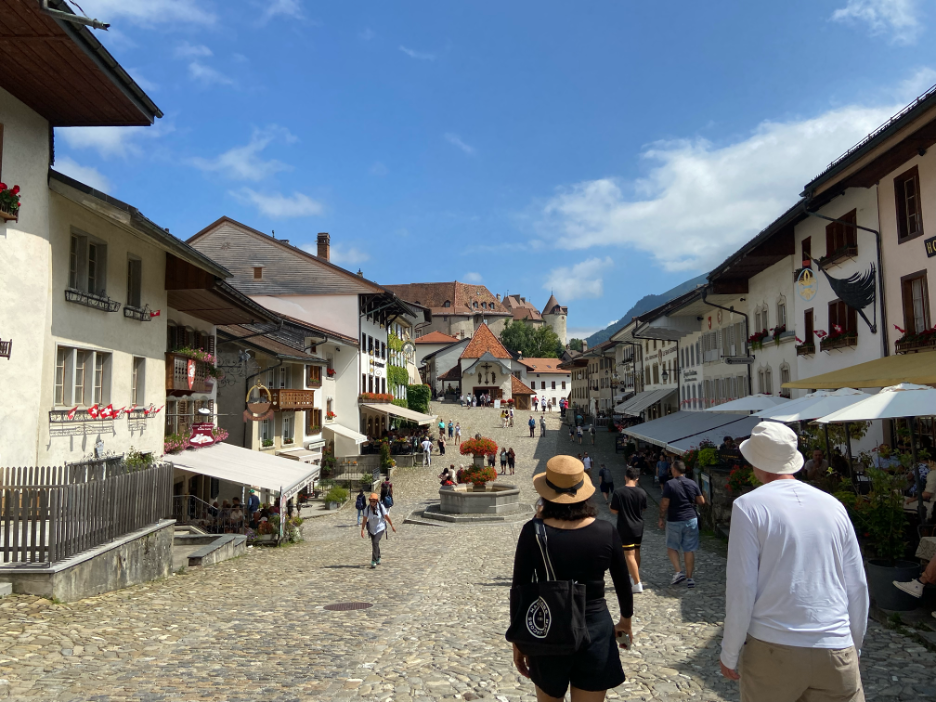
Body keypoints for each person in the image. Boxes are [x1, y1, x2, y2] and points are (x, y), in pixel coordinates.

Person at [719, 421, 868, 702]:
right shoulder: (833, 505)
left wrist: (730, 650)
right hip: (835, 644)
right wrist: (854, 645)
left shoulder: (749, 506)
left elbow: (742, 587)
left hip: (774, 646)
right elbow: (857, 584)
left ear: (756, 462)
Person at [511, 455, 633, 701]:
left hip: (548, 627)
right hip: (595, 627)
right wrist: (625, 621)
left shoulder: (532, 532)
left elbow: (519, 588)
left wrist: (519, 640)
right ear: (583, 491)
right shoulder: (605, 531)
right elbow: (622, 584)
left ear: (546, 493)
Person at [659, 460, 704, 588]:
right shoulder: (692, 483)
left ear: (674, 470)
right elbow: (701, 501)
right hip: (691, 518)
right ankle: (690, 578)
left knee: (672, 547)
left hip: (674, 519)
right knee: (689, 549)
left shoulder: (670, 484)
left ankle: (679, 572)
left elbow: (664, 503)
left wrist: (661, 517)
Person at [610, 467, 647, 594]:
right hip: (639, 525)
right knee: (637, 551)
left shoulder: (619, 492)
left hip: (625, 526)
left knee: (628, 555)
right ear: (637, 479)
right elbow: (644, 509)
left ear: (625, 477)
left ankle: (637, 583)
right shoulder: (642, 492)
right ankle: (634, 576)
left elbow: (614, 510)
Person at [361, 493, 396, 568]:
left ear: (376, 501)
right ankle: (378, 557)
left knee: (375, 542)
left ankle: (373, 560)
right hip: (371, 529)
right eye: (371, 501)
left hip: (380, 528)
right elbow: (364, 520)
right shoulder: (367, 509)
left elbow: (386, 516)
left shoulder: (381, 507)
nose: (372, 503)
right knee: (375, 544)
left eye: (374, 501)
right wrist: (362, 529)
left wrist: (392, 525)